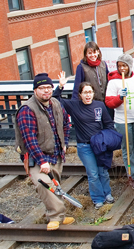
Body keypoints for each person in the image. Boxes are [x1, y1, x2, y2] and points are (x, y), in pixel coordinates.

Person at [15, 73, 75, 231]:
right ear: (35, 90)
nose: (46, 91)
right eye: (42, 88)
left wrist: (65, 143)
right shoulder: (27, 110)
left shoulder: (55, 103)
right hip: (38, 157)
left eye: (49, 87)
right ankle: (55, 216)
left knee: (54, 185)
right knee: (44, 185)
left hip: (56, 154)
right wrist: (42, 161)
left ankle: (59, 216)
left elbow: (66, 124)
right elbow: (29, 139)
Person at [53, 71, 115, 209]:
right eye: (85, 92)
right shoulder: (74, 106)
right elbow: (55, 99)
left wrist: (107, 137)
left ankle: (107, 194)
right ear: (80, 94)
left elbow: (108, 124)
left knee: (103, 171)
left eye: (90, 92)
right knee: (93, 174)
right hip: (85, 147)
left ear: (93, 93)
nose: (88, 95)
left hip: (100, 145)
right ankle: (98, 199)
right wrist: (61, 86)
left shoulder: (100, 106)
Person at [105, 53, 134, 189]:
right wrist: (119, 97)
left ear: (130, 66)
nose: (122, 68)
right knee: (128, 149)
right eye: (119, 66)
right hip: (123, 120)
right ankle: (132, 176)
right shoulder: (114, 82)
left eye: (124, 66)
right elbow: (109, 103)